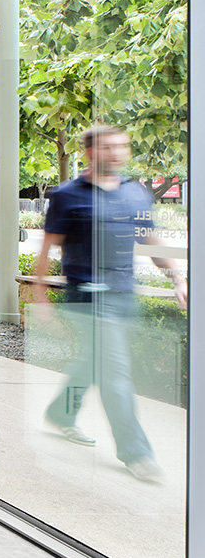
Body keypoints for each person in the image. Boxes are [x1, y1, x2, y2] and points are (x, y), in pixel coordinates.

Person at [32, 124, 187, 484]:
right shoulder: (68, 195)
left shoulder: (135, 194)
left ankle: (61, 413)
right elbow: (46, 248)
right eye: (109, 147)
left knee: (91, 364)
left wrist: (178, 278)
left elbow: (150, 241)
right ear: (89, 152)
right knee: (115, 373)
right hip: (86, 297)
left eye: (122, 147)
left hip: (123, 295)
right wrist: (39, 293)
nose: (117, 153)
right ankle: (138, 453)